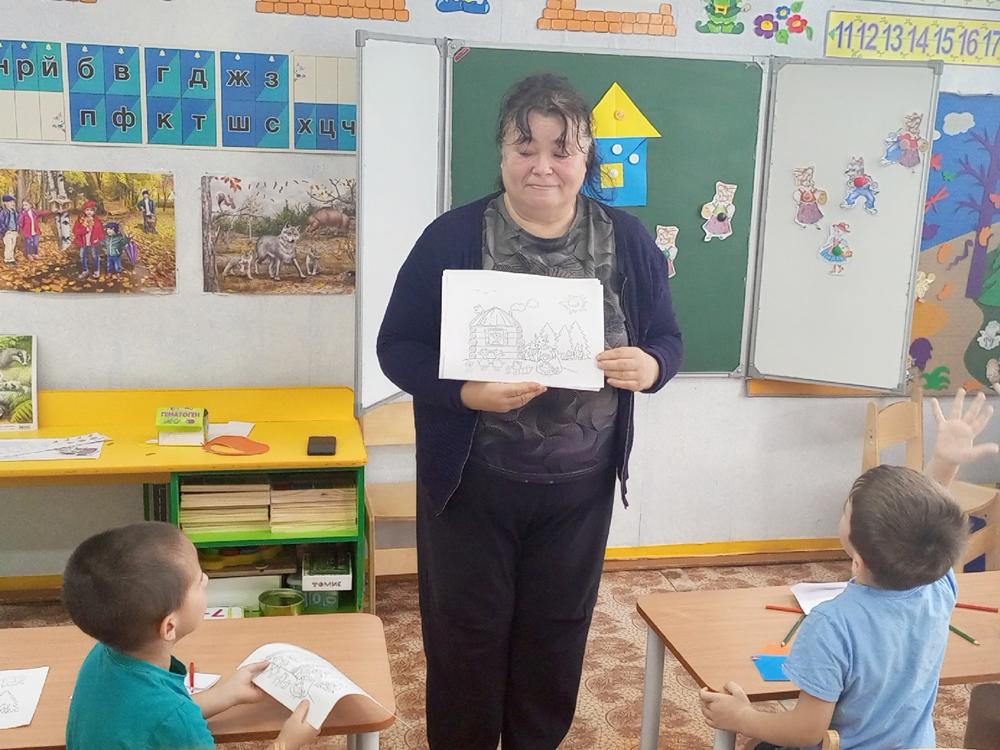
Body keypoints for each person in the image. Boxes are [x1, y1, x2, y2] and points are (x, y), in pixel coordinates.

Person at [377, 73, 683, 750]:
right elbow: (396, 347)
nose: (542, 166)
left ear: (586, 156)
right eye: (525, 148)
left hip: (579, 489)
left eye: (561, 150)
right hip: (471, 487)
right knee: (466, 633)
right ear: (502, 153)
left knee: (556, 633)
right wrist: (466, 393)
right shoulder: (453, 237)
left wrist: (652, 366)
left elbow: (667, 338)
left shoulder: (628, 240)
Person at [700, 389, 997, 750]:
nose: (842, 514)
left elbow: (806, 732)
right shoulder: (938, 586)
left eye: (846, 513)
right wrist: (946, 463)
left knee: (754, 746)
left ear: (859, 560)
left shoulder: (832, 623)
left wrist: (741, 717)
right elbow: (925, 525)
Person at [62, 521, 319, 750]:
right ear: (169, 627)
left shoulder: (103, 654)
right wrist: (287, 742)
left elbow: (155, 717)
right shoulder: (179, 725)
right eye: (197, 582)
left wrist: (228, 694)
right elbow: (168, 719)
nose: (206, 579)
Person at [72, 200, 104, 279]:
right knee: (82, 256)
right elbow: (75, 231)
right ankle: (85, 270)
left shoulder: (97, 221)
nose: (89, 212)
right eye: (87, 210)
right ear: (84, 210)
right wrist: (85, 230)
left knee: (95, 256)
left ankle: (96, 270)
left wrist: (101, 240)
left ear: (94, 211)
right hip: (83, 241)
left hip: (93, 241)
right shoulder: (81, 220)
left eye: (91, 210)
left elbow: (100, 231)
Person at [1, 194, 19, 267]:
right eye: (10, 202)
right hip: (7, 232)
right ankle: (7, 260)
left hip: (14, 231)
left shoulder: (14, 212)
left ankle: (11, 259)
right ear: (5, 203)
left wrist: (17, 230)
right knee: (8, 246)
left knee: (12, 246)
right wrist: (4, 230)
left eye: (13, 202)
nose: (12, 204)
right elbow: (1, 222)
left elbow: (16, 221)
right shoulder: (4, 212)